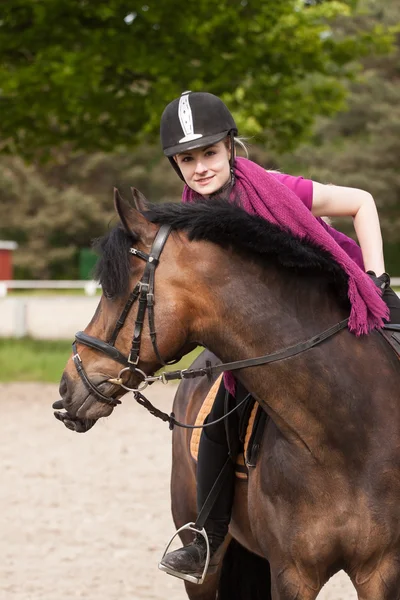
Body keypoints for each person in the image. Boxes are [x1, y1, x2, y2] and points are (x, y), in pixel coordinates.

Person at [158, 91, 400, 581]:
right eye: (188, 159)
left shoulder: (275, 188)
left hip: (337, 305)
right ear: (176, 166)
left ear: (229, 147)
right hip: (253, 345)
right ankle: (206, 535)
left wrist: (375, 278)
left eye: (209, 152)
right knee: (214, 417)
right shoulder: (187, 231)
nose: (201, 167)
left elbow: (362, 203)